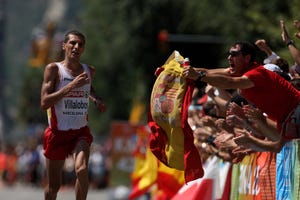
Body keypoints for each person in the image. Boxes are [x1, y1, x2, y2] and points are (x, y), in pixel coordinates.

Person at [40, 30, 105, 200]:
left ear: (83, 49)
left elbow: (89, 88)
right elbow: (44, 102)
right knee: (54, 187)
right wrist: (71, 86)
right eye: (72, 43)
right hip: (57, 133)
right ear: (64, 46)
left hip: (80, 132)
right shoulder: (54, 69)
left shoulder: (89, 70)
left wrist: (96, 99)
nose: (76, 47)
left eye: (80, 44)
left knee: (81, 169)